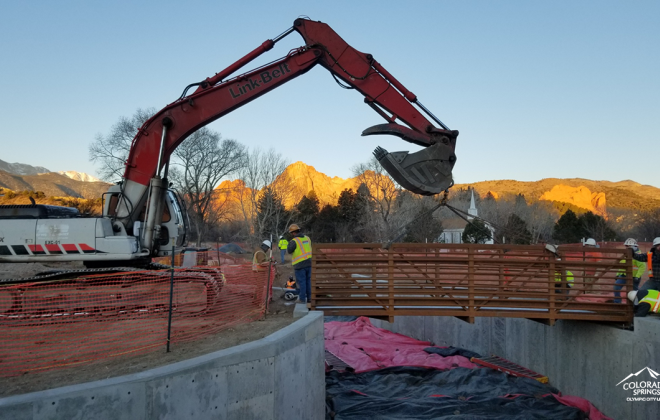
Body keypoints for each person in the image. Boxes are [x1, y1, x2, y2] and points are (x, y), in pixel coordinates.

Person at [613, 238, 646, 303]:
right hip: (624, 275)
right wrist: (618, 274)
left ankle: (636, 304)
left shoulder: (638, 255)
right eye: (626, 246)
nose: (626, 247)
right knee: (616, 287)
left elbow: (642, 267)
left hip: (634, 277)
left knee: (634, 292)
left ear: (633, 247)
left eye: (628, 246)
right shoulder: (626, 254)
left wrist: (637, 276)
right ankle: (617, 302)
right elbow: (622, 266)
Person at [287, 224, 312, 304]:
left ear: (293, 233)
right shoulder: (307, 238)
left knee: (302, 282)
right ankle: (309, 298)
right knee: (308, 281)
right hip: (309, 263)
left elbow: (289, 250)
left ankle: (301, 299)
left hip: (300, 264)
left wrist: (289, 243)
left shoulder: (294, 241)